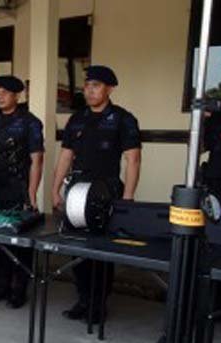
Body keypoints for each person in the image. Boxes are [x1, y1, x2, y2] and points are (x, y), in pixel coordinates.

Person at [51, 65, 141, 321]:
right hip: (77, 194)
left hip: (107, 193)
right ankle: (83, 300)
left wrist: (128, 200)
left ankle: (99, 305)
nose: (89, 91)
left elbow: (133, 160)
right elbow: (66, 156)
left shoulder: (123, 118)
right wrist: (55, 190)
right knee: (77, 248)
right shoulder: (76, 119)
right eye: (87, 85)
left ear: (109, 89)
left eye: (96, 86)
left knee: (101, 251)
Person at [0, 76, 44, 309]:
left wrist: (32, 195)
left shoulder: (30, 122)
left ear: (17, 95)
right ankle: (1, 283)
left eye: (5, 92)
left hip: (17, 189)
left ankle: (19, 288)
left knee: (19, 241)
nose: (0, 96)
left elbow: (37, 160)